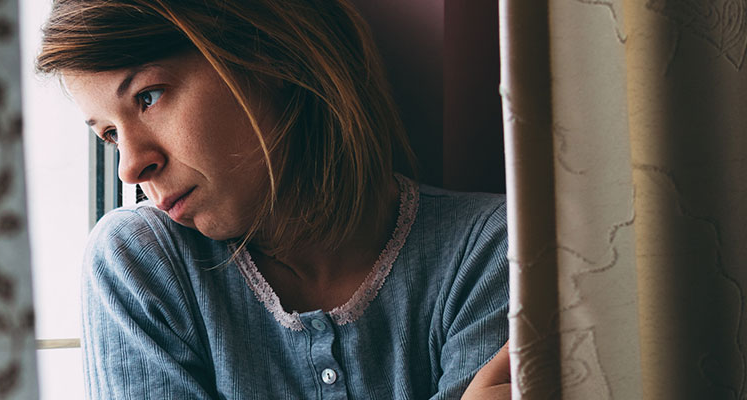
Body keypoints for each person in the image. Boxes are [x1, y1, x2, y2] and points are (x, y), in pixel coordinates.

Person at [35, 0, 511, 398]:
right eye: (111, 135)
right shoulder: (142, 266)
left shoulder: (492, 253)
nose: (130, 167)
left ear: (266, 56)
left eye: (149, 97)